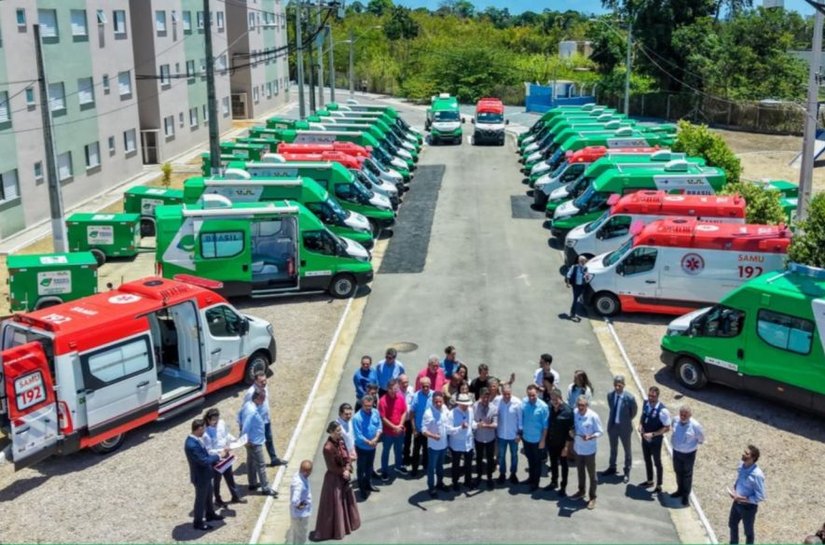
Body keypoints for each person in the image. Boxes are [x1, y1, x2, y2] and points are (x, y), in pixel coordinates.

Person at [313, 422, 361, 541]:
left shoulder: (341, 440)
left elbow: (347, 457)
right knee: (336, 504)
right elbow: (331, 467)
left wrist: (348, 467)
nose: (340, 433)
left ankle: (348, 524)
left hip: (344, 474)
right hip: (334, 478)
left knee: (347, 501)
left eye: (340, 430)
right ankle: (336, 529)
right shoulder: (327, 448)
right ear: (331, 432)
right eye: (337, 431)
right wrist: (344, 471)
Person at [184, 419, 224, 531]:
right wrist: (218, 456)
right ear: (199, 429)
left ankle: (210, 514)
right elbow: (204, 461)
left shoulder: (196, 440)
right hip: (200, 477)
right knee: (200, 500)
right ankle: (198, 522)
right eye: (203, 429)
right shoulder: (192, 445)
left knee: (208, 496)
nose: (204, 432)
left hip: (206, 475)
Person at [244, 372, 287, 467]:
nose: (264, 383)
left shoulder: (264, 387)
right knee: (257, 443)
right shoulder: (251, 392)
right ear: (255, 381)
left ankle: (273, 459)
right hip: (257, 423)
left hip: (266, 419)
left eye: (265, 380)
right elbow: (247, 408)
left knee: (269, 439)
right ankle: (255, 463)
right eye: (261, 381)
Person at [203, 408, 244, 507]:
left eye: (217, 419)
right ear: (208, 420)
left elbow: (226, 435)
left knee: (229, 476)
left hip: (226, 456)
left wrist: (235, 440)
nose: (216, 421)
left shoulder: (221, 423)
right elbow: (208, 450)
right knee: (217, 480)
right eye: (213, 420)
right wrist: (220, 452)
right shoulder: (206, 433)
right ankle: (218, 499)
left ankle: (235, 496)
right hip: (216, 459)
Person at [241, 391, 278, 497]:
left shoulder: (247, 405)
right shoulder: (252, 411)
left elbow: (239, 417)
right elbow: (245, 427)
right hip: (254, 441)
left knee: (251, 462)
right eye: (262, 399)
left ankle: (252, 483)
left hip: (252, 439)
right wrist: (245, 439)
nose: (263, 401)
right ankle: (265, 488)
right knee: (261, 465)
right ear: (257, 399)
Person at [728, 444, 766, 545]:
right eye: (744, 452)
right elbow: (739, 478)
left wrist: (742, 498)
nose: (743, 454)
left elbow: (760, 496)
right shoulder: (741, 465)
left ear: (753, 458)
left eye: (746, 453)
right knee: (732, 525)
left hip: (748, 508)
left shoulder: (757, 475)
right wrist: (735, 488)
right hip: (736, 503)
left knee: (748, 532)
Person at [603, 375, 638, 483]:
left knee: (627, 450)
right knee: (613, 448)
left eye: (619, 385)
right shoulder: (610, 395)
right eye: (615, 385)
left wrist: (626, 420)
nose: (617, 388)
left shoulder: (630, 398)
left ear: (623, 385)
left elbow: (634, 412)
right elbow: (611, 407)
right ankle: (612, 467)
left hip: (625, 428)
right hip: (613, 426)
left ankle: (627, 471)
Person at [571, 395, 602, 510]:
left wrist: (591, 436)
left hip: (589, 450)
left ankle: (592, 497)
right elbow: (573, 426)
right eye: (579, 405)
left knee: (592, 474)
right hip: (578, 448)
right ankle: (581, 491)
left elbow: (600, 432)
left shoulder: (593, 416)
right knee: (580, 472)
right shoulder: (575, 413)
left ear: (587, 405)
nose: (580, 407)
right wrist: (572, 432)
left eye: (583, 405)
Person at [670, 404, 705, 506]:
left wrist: (690, 447)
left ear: (690, 415)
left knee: (687, 475)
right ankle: (679, 490)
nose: (683, 416)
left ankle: (685, 496)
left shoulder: (695, 426)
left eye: (685, 415)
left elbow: (701, 439)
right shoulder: (675, 420)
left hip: (688, 454)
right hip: (676, 451)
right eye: (681, 414)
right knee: (678, 472)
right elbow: (673, 429)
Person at [639, 386, 671, 493]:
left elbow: (667, 427)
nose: (650, 398)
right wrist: (640, 425)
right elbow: (642, 416)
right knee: (647, 460)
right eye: (649, 395)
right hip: (644, 439)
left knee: (657, 462)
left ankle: (659, 485)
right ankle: (649, 480)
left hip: (655, 441)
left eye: (653, 396)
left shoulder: (663, 411)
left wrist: (653, 434)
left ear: (657, 396)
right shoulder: (646, 403)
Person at [422, 391, 452, 497]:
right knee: (431, 468)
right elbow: (424, 430)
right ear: (432, 401)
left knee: (440, 466)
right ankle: (431, 487)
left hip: (444, 445)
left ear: (443, 400)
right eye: (436, 402)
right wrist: (433, 436)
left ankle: (440, 483)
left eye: (440, 401)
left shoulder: (444, 408)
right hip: (433, 447)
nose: (438, 404)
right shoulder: (428, 413)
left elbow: (450, 418)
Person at [352, 394, 382, 498]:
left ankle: (369, 484)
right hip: (362, 448)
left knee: (369, 467)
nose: (369, 408)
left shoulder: (375, 412)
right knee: (361, 469)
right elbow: (358, 435)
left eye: (370, 405)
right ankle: (362, 488)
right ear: (362, 405)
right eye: (366, 406)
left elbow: (379, 426)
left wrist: (376, 438)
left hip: (372, 446)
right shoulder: (357, 418)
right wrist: (369, 442)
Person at [545, 389, 574, 496]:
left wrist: (566, 447)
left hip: (563, 444)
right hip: (552, 442)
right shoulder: (549, 407)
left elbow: (571, 431)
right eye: (552, 400)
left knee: (564, 465)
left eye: (555, 400)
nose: (553, 402)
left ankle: (563, 486)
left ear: (560, 398)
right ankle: (554, 482)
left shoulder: (568, 411)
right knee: (553, 463)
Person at [520, 384, 549, 492]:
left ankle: (535, 483)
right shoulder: (524, 403)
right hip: (526, 438)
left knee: (537, 462)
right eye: (529, 395)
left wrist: (543, 440)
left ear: (537, 393)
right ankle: (530, 478)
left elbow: (545, 426)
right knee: (530, 460)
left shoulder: (543, 407)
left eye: (533, 395)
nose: (531, 397)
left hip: (537, 439)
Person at [378, 378, 408, 479]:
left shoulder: (400, 398)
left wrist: (400, 425)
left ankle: (398, 466)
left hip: (399, 431)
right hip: (388, 433)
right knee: (386, 451)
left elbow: (404, 411)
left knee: (399, 450)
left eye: (395, 388)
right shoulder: (382, 401)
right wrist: (394, 427)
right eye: (391, 389)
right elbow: (383, 418)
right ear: (387, 389)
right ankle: (384, 471)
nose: (394, 390)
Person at [449, 392, 476, 491]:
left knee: (468, 464)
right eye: (464, 404)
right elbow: (449, 430)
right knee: (456, 464)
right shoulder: (452, 413)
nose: (466, 406)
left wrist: (477, 425)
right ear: (459, 403)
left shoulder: (470, 410)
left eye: (467, 404)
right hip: (456, 444)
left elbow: (471, 422)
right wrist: (461, 428)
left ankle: (468, 481)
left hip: (468, 443)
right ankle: (455, 482)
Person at [496, 384, 522, 485]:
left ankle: (513, 474)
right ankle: (502, 474)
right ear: (502, 393)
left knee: (514, 455)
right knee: (501, 456)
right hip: (501, 434)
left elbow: (520, 420)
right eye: (505, 394)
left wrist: (519, 434)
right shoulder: (498, 401)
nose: (507, 396)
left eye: (509, 394)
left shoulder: (517, 402)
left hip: (513, 435)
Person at [473, 387, 498, 489]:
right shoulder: (474, 407)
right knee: (478, 459)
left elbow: (495, 424)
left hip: (489, 439)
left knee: (490, 459)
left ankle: (489, 477)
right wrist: (477, 424)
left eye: (487, 398)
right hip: (478, 438)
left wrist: (485, 426)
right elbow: (472, 421)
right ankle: (478, 476)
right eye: (483, 397)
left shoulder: (493, 408)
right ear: (480, 397)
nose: (485, 400)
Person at [409, 377, 433, 477]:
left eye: (427, 386)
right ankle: (414, 469)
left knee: (427, 450)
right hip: (418, 429)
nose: (426, 388)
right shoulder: (416, 396)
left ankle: (426, 467)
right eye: (423, 386)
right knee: (416, 450)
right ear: (420, 386)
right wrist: (414, 429)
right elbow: (412, 413)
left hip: (429, 430)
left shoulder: (434, 395)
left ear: (430, 385)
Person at [288, 460, 313, 545]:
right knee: (301, 536)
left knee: (296, 535)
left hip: (298, 514)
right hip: (300, 516)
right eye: (310, 471)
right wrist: (304, 504)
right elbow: (295, 500)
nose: (310, 473)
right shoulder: (299, 484)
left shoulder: (299, 475)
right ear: (306, 472)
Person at [565, 255, 591, 321]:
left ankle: (573, 312)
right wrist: (568, 283)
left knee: (578, 299)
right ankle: (573, 313)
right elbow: (568, 275)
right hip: (576, 286)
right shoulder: (574, 267)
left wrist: (587, 276)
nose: (584, 262)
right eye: (583, 261)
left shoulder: (585, 268)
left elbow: (587, 278)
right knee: (575, 299)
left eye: (585, 261)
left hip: (582, 286)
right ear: (579, 261)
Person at [399, 374, 415, 468]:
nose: (405, 384)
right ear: (399, 383)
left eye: (406, 382)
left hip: (409, 420)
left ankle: (406, 457)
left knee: (408, 440)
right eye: (403, 382)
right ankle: (400, 458)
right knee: (400, 441)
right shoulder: (397, 392)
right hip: (400, 421)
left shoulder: (411, 390)